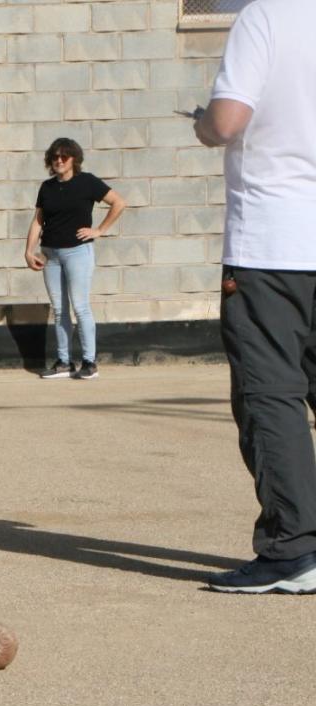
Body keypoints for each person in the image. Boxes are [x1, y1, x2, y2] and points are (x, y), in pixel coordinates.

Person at [195, 0, 316, 594]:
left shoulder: (266, 16)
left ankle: (293, 551)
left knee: (270, 395)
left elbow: (226, 122)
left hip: (274, 242)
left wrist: (202, 123)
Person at [23, 138, 126, 381]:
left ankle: (89, 362)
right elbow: (38, 220)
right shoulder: (47, 187)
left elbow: (119, 203)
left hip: (78, 252)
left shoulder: (87, 182)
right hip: (50, 254)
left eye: (64, 157)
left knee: (80, 307)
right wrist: (29, 251)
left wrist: (99, 230)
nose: (59, 160)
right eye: (55, 157)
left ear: (74, 160)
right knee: (59, 310)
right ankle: (64, 362)